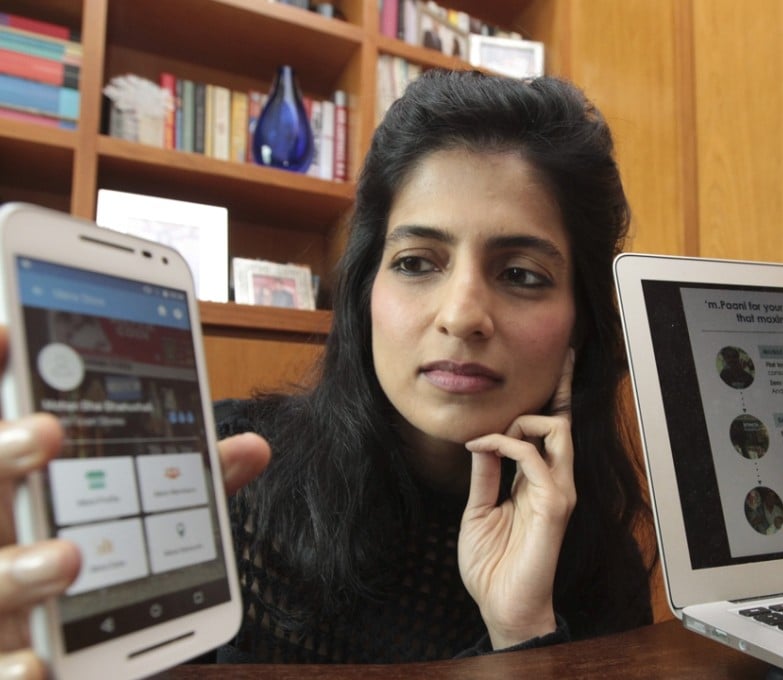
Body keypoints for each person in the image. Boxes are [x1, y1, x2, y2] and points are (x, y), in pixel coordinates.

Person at [0, 69, 655, 673]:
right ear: (364, 289)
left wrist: (524, 635)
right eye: (417, 263)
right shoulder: (233, 475)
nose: (461, 316)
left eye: (520, 275)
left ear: (583, 322)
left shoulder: (602, 558)